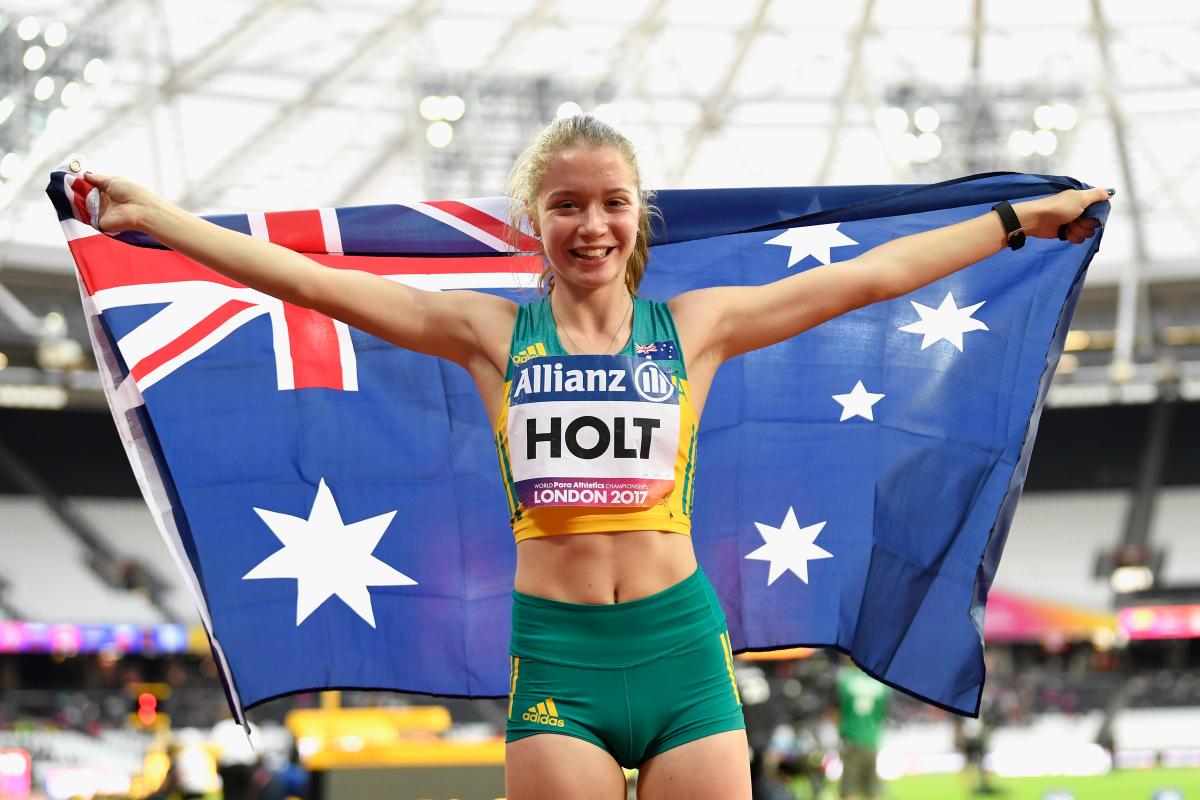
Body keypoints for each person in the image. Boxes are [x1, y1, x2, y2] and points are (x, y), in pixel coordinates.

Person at [85, 114, 1107, 800]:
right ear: (536, 223)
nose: (591, 222)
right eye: (567, 204)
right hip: (559, 667)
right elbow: (312, 285)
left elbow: (876, 275)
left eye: (611, 200)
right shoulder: (489, 334)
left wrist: (1019, 220)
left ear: (638, 216)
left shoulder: (697, 326)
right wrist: (158, 221)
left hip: (684, 656)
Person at [834, 665, 891, 800]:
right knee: (873, 790)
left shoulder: (846, 680)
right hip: (873, 739)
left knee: (849, 789)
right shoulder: (882, 684)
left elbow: (836, 709)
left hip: (852, 739)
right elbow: (884, 713)